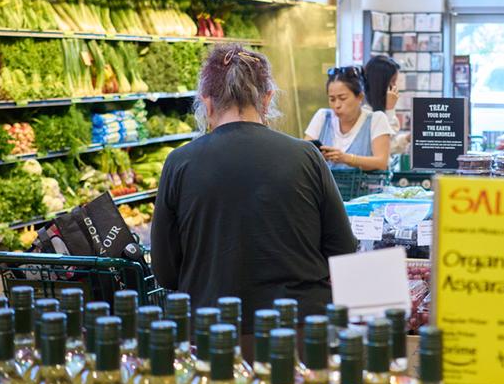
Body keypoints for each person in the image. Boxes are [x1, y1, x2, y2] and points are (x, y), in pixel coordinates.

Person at [151, 43, 358, 328]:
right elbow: (343, 248)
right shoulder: (306, 156)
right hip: (301, 331)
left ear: (207, 103)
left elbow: (165, 272)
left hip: (214, 335)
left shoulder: (179, 163)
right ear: (267, 99)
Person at [304, 65, 394, 171]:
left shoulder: (376, 119)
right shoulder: (323, 116)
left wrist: (346, 158)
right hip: (324, 187)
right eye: (332, 99)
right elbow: (304, 155)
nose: (337, 105)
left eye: (342, 98)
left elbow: (382, 163)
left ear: (360, 97)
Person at [363, 55, 410, 152]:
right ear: (380, 83)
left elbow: (390, 145)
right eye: (392, 81)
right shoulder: (365, 111)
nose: (395, 87)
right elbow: (383, 148)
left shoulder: (380, 106)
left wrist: (407, 138)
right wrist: (390, 110)